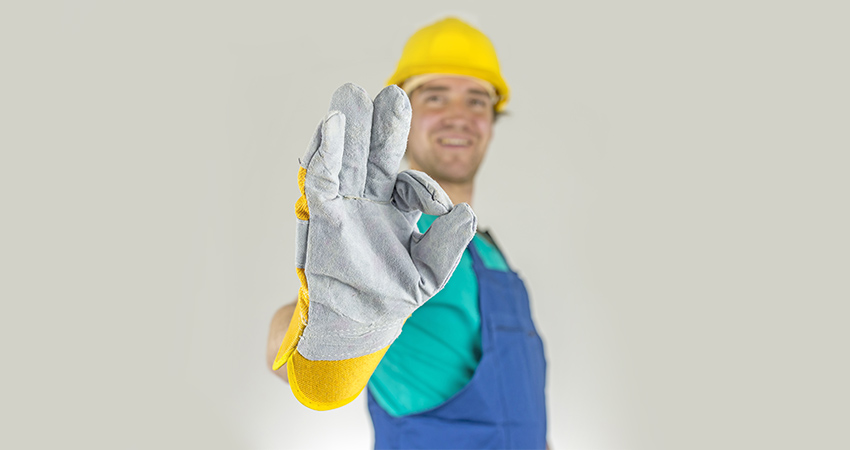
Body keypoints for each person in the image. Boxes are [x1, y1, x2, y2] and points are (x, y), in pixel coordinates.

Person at [266, 17, 547, 449]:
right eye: (436, 97)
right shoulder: (384, 246)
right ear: (406, 115)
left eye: (477, 100)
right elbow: (279, 346)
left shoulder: (491, 255)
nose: (459, 116)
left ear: (492, 120)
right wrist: (334, 328)